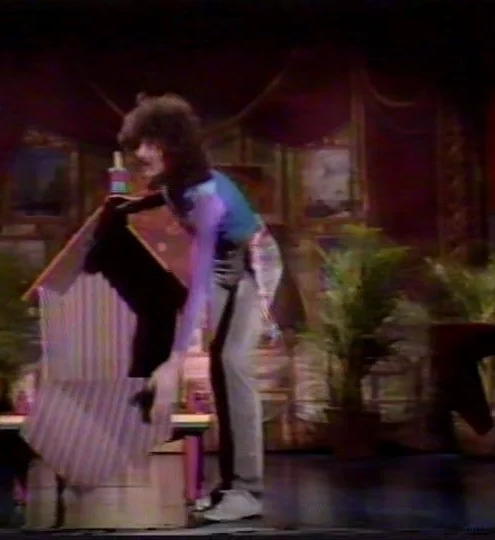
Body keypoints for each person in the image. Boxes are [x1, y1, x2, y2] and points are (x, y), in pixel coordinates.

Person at [111, 93, 283, 522]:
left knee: (232, 363)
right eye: (138, 144)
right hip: (223, 263)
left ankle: (248, 490)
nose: (139, 153)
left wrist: (174, 361)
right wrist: (133, 205)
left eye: (149, 144)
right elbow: (166, 198)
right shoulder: (173, 182)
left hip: (250, 264)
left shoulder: (205, 198)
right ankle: (230, 486)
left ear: (173, 146)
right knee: (222, 367)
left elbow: (200, 281)